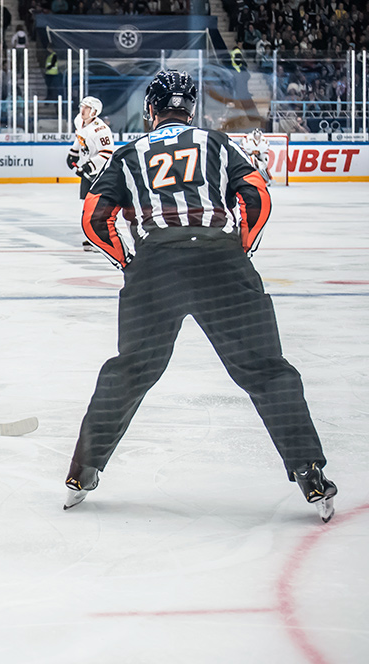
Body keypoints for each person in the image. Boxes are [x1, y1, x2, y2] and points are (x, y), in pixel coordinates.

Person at [65, 70, 336, 522]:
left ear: (151, 109)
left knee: (129, 371)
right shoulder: (216, 143)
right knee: (267, 371)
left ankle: (82, 472)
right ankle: (309, 474)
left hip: (156, 267)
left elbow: (94, 217)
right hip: (220, 261)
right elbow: (258, 196)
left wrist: (130, 262)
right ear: (191, 110)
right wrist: (238, 248)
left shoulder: (131, 152)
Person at [66, 96, 113, 250]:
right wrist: (73, 153)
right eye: (82, 106)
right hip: (89, 171)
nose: (83, 110)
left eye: (87, 108)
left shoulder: (101, 130)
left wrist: (88, 167)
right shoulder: (79, 120)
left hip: (100, 173)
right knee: (86, 205)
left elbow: (106, 154)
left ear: (94, 112)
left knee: (97, 207)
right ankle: (91, 236)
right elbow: (80, 137)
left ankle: (99, 238)